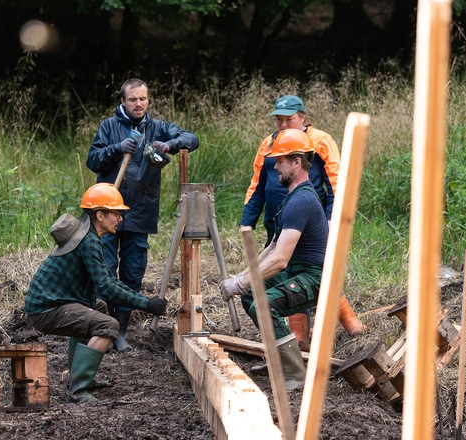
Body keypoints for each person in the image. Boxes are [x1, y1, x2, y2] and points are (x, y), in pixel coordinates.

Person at [239, 94, 365, 349]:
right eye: (279, 120)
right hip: (279, 222)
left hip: (309, 223)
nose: (284, 124)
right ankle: (297, 338)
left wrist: (331, 219)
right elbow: (258, 185)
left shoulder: (318, 141)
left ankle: (349, 321)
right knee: (284, 271)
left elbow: (336, 183)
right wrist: (247, 220)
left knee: (310, 271)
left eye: (289, 119)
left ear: (303, 117)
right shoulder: (269, 145)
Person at [24, 183, 168, 403]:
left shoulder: (88, 235)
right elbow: (107, 287)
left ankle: (78, 378)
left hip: (52, 304)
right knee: (109, 325)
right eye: (117, 214)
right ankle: (78, 390)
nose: (120, 219)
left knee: (97, 307)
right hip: (46, 310)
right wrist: (146, 304)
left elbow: (108, 281)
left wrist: (144, 301)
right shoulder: (88, 241)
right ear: (100, 215)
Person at [86, 78, 199, 353]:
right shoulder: (109, 127)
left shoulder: (157, 127)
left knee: (133, 271)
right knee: (105, 268)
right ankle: (105, 328)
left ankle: (121, 331)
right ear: (122, 101)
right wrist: (117, 149)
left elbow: (192, 139)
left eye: (143, 99)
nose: (139, 104)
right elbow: (93, 160)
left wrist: (169, 145)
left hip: (140, 212)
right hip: (109, 212)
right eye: (133, 99)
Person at [220, 129, 327, 390]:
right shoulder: (292, 198)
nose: (275, 167)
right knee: (250, 295)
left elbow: (279, 260)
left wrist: (242, 282)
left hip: (314, 277)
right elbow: (271, 248)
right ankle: (279, 359)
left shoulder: (302, 200)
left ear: (296, 162)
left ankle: (295, 375)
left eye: (279, 161)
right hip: (297, 271)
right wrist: (242, 280)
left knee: (264, 305)